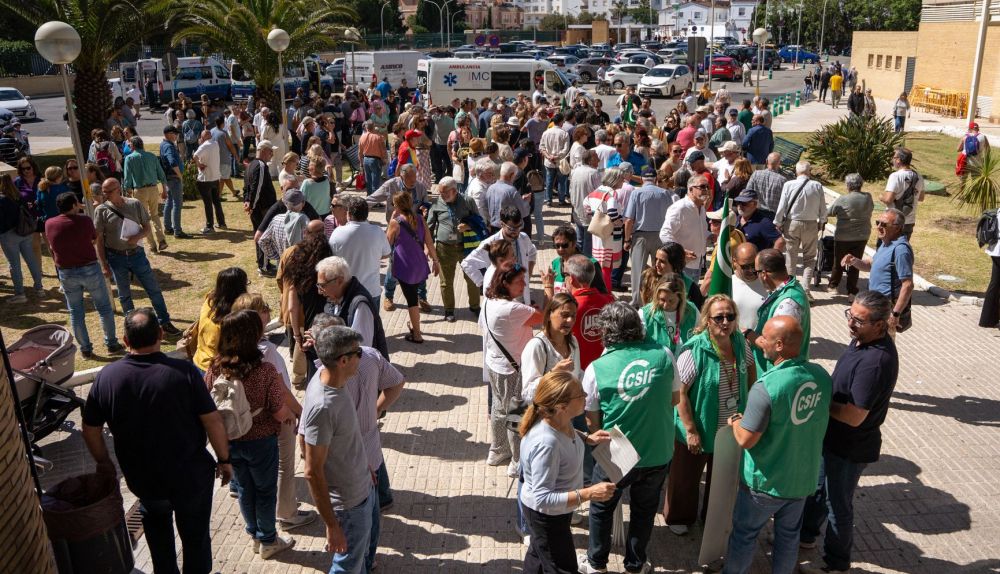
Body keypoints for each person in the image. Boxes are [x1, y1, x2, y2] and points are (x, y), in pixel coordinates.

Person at [82, 307, 231, 574]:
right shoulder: (184, 372)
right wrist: (224, 460)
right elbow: (213, 420)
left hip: (144, 480)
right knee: (195, 536)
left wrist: (104, 463)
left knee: (157, 533)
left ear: (126, 341)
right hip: (191, 478)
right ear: (161, 334)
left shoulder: (107, 377)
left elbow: (90, 429)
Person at [799, 291, 899, 574]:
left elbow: (854, 416)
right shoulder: (862, 340)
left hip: (849, 447)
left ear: (880, 325)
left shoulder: (875, 362)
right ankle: (805, 537)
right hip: (833, 440)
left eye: (859, 320)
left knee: (837, 506)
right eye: (850, 315)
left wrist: (820, 405)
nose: (851, 323)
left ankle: (837, 564)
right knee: (818, 490)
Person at [723, 315, 831, 574]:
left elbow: (746, 439)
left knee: (744, 535)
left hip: (766, 484)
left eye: (766, 339)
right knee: (789, 536)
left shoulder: (767, 387)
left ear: (780, 345)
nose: (760, 342)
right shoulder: (821, 376)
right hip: (801, 480)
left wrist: (735, 421)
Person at [579, 302, 680, 574]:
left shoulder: (597, 368)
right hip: (658, 448)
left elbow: (592, 421)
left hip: (618, 448)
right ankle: (635, 565)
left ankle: (596, 564)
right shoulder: (665, 354)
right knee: (645, 509)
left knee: (601, 506)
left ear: (606, 332)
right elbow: (675, 399)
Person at [204, 310, 296, 559]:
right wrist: (291, 415)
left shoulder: (215, 367)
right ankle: (268, 540)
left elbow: (206, 401)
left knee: (244, 488)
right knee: (265, 490)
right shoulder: (264, 370)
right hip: (261, 440)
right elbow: (278, 411)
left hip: (229, 440)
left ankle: (254, 534)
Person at [666, 294, 755, 534]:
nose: (725, 322)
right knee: (686, 477)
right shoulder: (694, 350)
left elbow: (750, 369)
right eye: (719, 318)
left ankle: (713, 517)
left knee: (723, 479)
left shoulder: (740, 342)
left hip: (731, 428)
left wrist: (749, 409)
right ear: (707, 320)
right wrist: (691, 430)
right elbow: (680, 394)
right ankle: (678, 517)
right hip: (698, 426)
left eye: (730, 316)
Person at [229, 293, 317, 530]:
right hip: (275, 419)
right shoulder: (264, 351)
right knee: (284, 467)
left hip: (241, 428)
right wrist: (301, 412)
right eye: (263, 309)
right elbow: (281, 391)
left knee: (249, 485)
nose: (269, 312)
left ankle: (258, 530)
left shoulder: (228, 353)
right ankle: (287, 514)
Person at [302, 326, 382, 574]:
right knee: (346, 567)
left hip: (364, 487)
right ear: (343, 360)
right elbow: (312, 472)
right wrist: (332, 525)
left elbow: (347, 437)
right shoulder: (323, 406)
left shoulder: (337, 380)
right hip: (349, 505)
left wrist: (365, 466)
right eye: (358, 352)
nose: (362, 356)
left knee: (358, 562)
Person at [519, 370, 617, 573]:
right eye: (580, 394)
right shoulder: (546, 444)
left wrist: (586, 438)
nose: (586, 396)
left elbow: (569, 433)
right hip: (546, 517)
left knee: (538, 554)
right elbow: (543, 498)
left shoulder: (560, 420)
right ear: (561, 406)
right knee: (563, 567)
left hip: (555, 514)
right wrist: (589, 493)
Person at [94, 178, 180, 334]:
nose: (105, 194)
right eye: (103, 192)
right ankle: (133, 329)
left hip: (137, 255)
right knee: (124, 295)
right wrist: (103, 264)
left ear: (118, 189)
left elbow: (147, 227)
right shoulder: (101, 210)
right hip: (116, 258)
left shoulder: (134, 204)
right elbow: (99, 240)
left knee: (153, 290)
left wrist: (138, 236)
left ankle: (165, 322)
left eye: (108, 191)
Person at [483, 265, 544, 475]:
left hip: (495, 365)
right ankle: (517, 462)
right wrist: (548, 288)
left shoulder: (489, 301)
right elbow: (543, 317)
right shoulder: (514, 309)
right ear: (505, 284)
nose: (525, 285)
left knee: (499, 408)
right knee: (517, 414)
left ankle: (498, 450)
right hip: (513, 370)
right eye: (519, 281)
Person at [44, 192, 121, 357]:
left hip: (66, 272)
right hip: (89, 269)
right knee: (104, 308)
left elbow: (51, 246)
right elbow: (94, 239)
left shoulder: (49, 223)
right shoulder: (84, 220)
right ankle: (111, 343)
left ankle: (86, 349)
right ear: (73, 205)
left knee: (76, 312)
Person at [841, 209, 915, 336]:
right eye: (878, 222)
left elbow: (908, 285)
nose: (879, 227)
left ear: (897, 228)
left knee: (880, 347)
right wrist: (854, 261)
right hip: (874, 306)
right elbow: (870, 265)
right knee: (863, 340)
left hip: (885, 310)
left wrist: (895, 313)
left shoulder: (901, 250)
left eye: (884, 224)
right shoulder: (885, 243)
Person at [279, 222, 332, 387]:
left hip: (307, 327)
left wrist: (296, 336)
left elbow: (291, 307)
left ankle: (300, 380)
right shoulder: (329, 268)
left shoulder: (293, 257)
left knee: (310, 366)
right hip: (329, 327)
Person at [387, 191, 440, 344]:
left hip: (405, 267)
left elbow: (386, 244)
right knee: (414, 296)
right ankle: (415, 326)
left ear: (396, 205)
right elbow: (430, 243)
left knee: (411, 301)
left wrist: (391, 219)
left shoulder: (395, 222)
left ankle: (417, 334)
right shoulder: (420, 218)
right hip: (419, 264)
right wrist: (436, 262)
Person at [746, 249, 811, 374]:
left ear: (764, 274)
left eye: (756, 272)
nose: (756, 276)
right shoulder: (789, 288)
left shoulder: (788, 304)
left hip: (778, 375)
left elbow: (779, 347)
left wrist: (750, 335)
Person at [427, 176, 482, 322]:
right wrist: (428, 248)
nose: (442, 196)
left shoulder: (468, 201)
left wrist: (468, 226)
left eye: (445, 193)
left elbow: (479, 221)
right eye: (440, 192)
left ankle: (475, 306)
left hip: (466, 247)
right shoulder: (437, 202)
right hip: (445, 249)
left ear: (454, 191)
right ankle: (449, 310)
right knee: (446, 282)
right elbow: (429, 227)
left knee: (471, 278)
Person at [462, 206, 538, 306]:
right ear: (502, 224)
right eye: (512, 228)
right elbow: (467, 264)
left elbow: (532, 252)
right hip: (501, 299)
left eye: (519, 226)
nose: (516, 231)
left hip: (522, 296)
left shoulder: (523, 238)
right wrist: (484, 284)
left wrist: (529, 273)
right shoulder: (491, 243)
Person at [316, 256, 389, 358]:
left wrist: (322, 342)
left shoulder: (360, 305)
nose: (319, 291)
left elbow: (361, 351)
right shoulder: (335, 297)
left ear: (340, 281)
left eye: (323, 286)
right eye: (318, 286)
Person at [624, 165, 676, 306]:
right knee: (661, 270)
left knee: (637, 271)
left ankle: (637, 301)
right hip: (660, 236)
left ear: (642, 179)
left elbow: (629, 220)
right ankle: (659, 298)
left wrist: (627, 239)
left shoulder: (637, 193)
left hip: (640, 236)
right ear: (655, 179)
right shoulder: (665, 193)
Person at [774, 162, 826, 297]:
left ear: (796, 172)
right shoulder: (817, 186)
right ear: (809, 172)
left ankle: (790, 289)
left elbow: (782, 206)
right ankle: (806, 290)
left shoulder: (788, 185)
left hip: (792, 223)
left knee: (791, 257)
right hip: (811, 224)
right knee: (809, 257)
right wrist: (822, 221)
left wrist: (778, 221)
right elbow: (823, 207)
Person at [328, 195, 392, 305]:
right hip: (371, 291)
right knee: (372, 322)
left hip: (346, 291)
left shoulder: (337, 232)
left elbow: (331, 259)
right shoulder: (377, 231)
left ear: (348, 213)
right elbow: (386, 254)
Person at [191, 267, 249, 373]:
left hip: (198, 361)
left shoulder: (209, 300)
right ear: (240, 289)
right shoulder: (232, 319)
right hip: (216, 370)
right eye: (246, 284)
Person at [826, 173, 874, 298]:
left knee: (838, 262)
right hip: (862, 236)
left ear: (848, 185)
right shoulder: (868, 197)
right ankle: (852, 291)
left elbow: (830, 212)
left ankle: (833, 286)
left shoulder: (843, 199)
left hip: (843, 236)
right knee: (855, 262)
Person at [0, 174, 44, 304]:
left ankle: (20, 293)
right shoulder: (19, 196)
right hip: (24, 232)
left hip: (8, 235)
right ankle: (39, 288)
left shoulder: (1, 200)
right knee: (31, 260)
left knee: (14, 265)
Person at [121, 136, 169, 252]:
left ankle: (152, 245)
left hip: (140, 190)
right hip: (153, 189)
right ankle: (161, 240)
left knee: (144, 219)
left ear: (132, 145)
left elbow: (127, 178)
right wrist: (164, 189)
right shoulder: (152, 156)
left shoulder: (129, 158)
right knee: (155, 215)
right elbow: (161, 174)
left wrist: (127, 192)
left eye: (129, 145)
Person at [659, 174, 709, 285]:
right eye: (702, 187)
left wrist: (710, 235)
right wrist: (680, 252)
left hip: (697, 263)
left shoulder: (701, 208)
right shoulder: (680, 208)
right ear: (691, 189)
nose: (706, 190)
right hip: (682, 265)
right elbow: (664, 233)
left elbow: (699, 230)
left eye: (707, 187)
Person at [584, 168, 627, 289]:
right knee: (607, 267)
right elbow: (612, 211)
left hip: (598, 232)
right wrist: (620, 222)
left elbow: (585, 203)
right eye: (621, 178)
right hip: (610, 235)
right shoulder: (611, 193)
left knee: (601, 264)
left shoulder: (597, 191)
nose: (623, 181)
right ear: (615, 179)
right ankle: (606, 293)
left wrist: (594, 214)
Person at [640, 273, 699, 355]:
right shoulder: (645, 314)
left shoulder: (692, 311)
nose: (665, 305)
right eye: (662, 300)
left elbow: (699, 339)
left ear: (680, 298)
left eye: (671, 301)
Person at [245, 140, 279, 276]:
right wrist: (251, 204)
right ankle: (264, 266)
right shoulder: (260, 165)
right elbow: (256, 188)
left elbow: (247, 187)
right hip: (262, 208)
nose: (272, 154)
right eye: (271, 151)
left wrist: (247, 201)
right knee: (264, 236)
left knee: (259, 235)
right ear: (264, 150)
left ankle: (262, 263)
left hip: (257, 207)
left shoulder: (251, 164)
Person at [880, 147, 924, 240]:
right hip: (909, 221)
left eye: (894, 157)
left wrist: (881, 197)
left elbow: (888, 200)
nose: (893, 159)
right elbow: (921, 197)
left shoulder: (895, 176)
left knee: (885, 250)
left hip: (893, 222)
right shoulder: (919, 176)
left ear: (899, 160)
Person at [192, 130, 227, 234]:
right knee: (216, 201)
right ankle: (222, 223)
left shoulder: (204, 146)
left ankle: (209, 226)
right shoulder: (215, 143)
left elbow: (195, 156)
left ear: (203, 137)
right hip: (215, 177)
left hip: (205, 178)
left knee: (208, 203)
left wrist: (199, 165)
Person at [159, 125, 189, 238]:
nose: (176, 135)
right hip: (174, 178)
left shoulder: (164, 144)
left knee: (169, 201)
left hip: (168, 177)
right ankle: (178, 231)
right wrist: (180, 175)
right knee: (177, 204)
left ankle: (168, 228)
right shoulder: (168, 146)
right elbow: (172, 162)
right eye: (174, 133)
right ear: (168, 134)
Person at [731, 242, 767, 332]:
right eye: (745, 267)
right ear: (734, 262)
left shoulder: (768, 282)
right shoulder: (728, 284)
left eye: (753, 265)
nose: (751, 270)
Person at [539, 112, 571, 206]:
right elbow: (566, 149)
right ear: (561, 122)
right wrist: (556, 156)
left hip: (549, 161)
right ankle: (561, 200)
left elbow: (541, 147)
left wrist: (549, 156)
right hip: (560, 161)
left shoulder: (546, 132)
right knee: (561, 181)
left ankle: (548, 200)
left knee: (549, 181)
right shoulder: (564, 133)